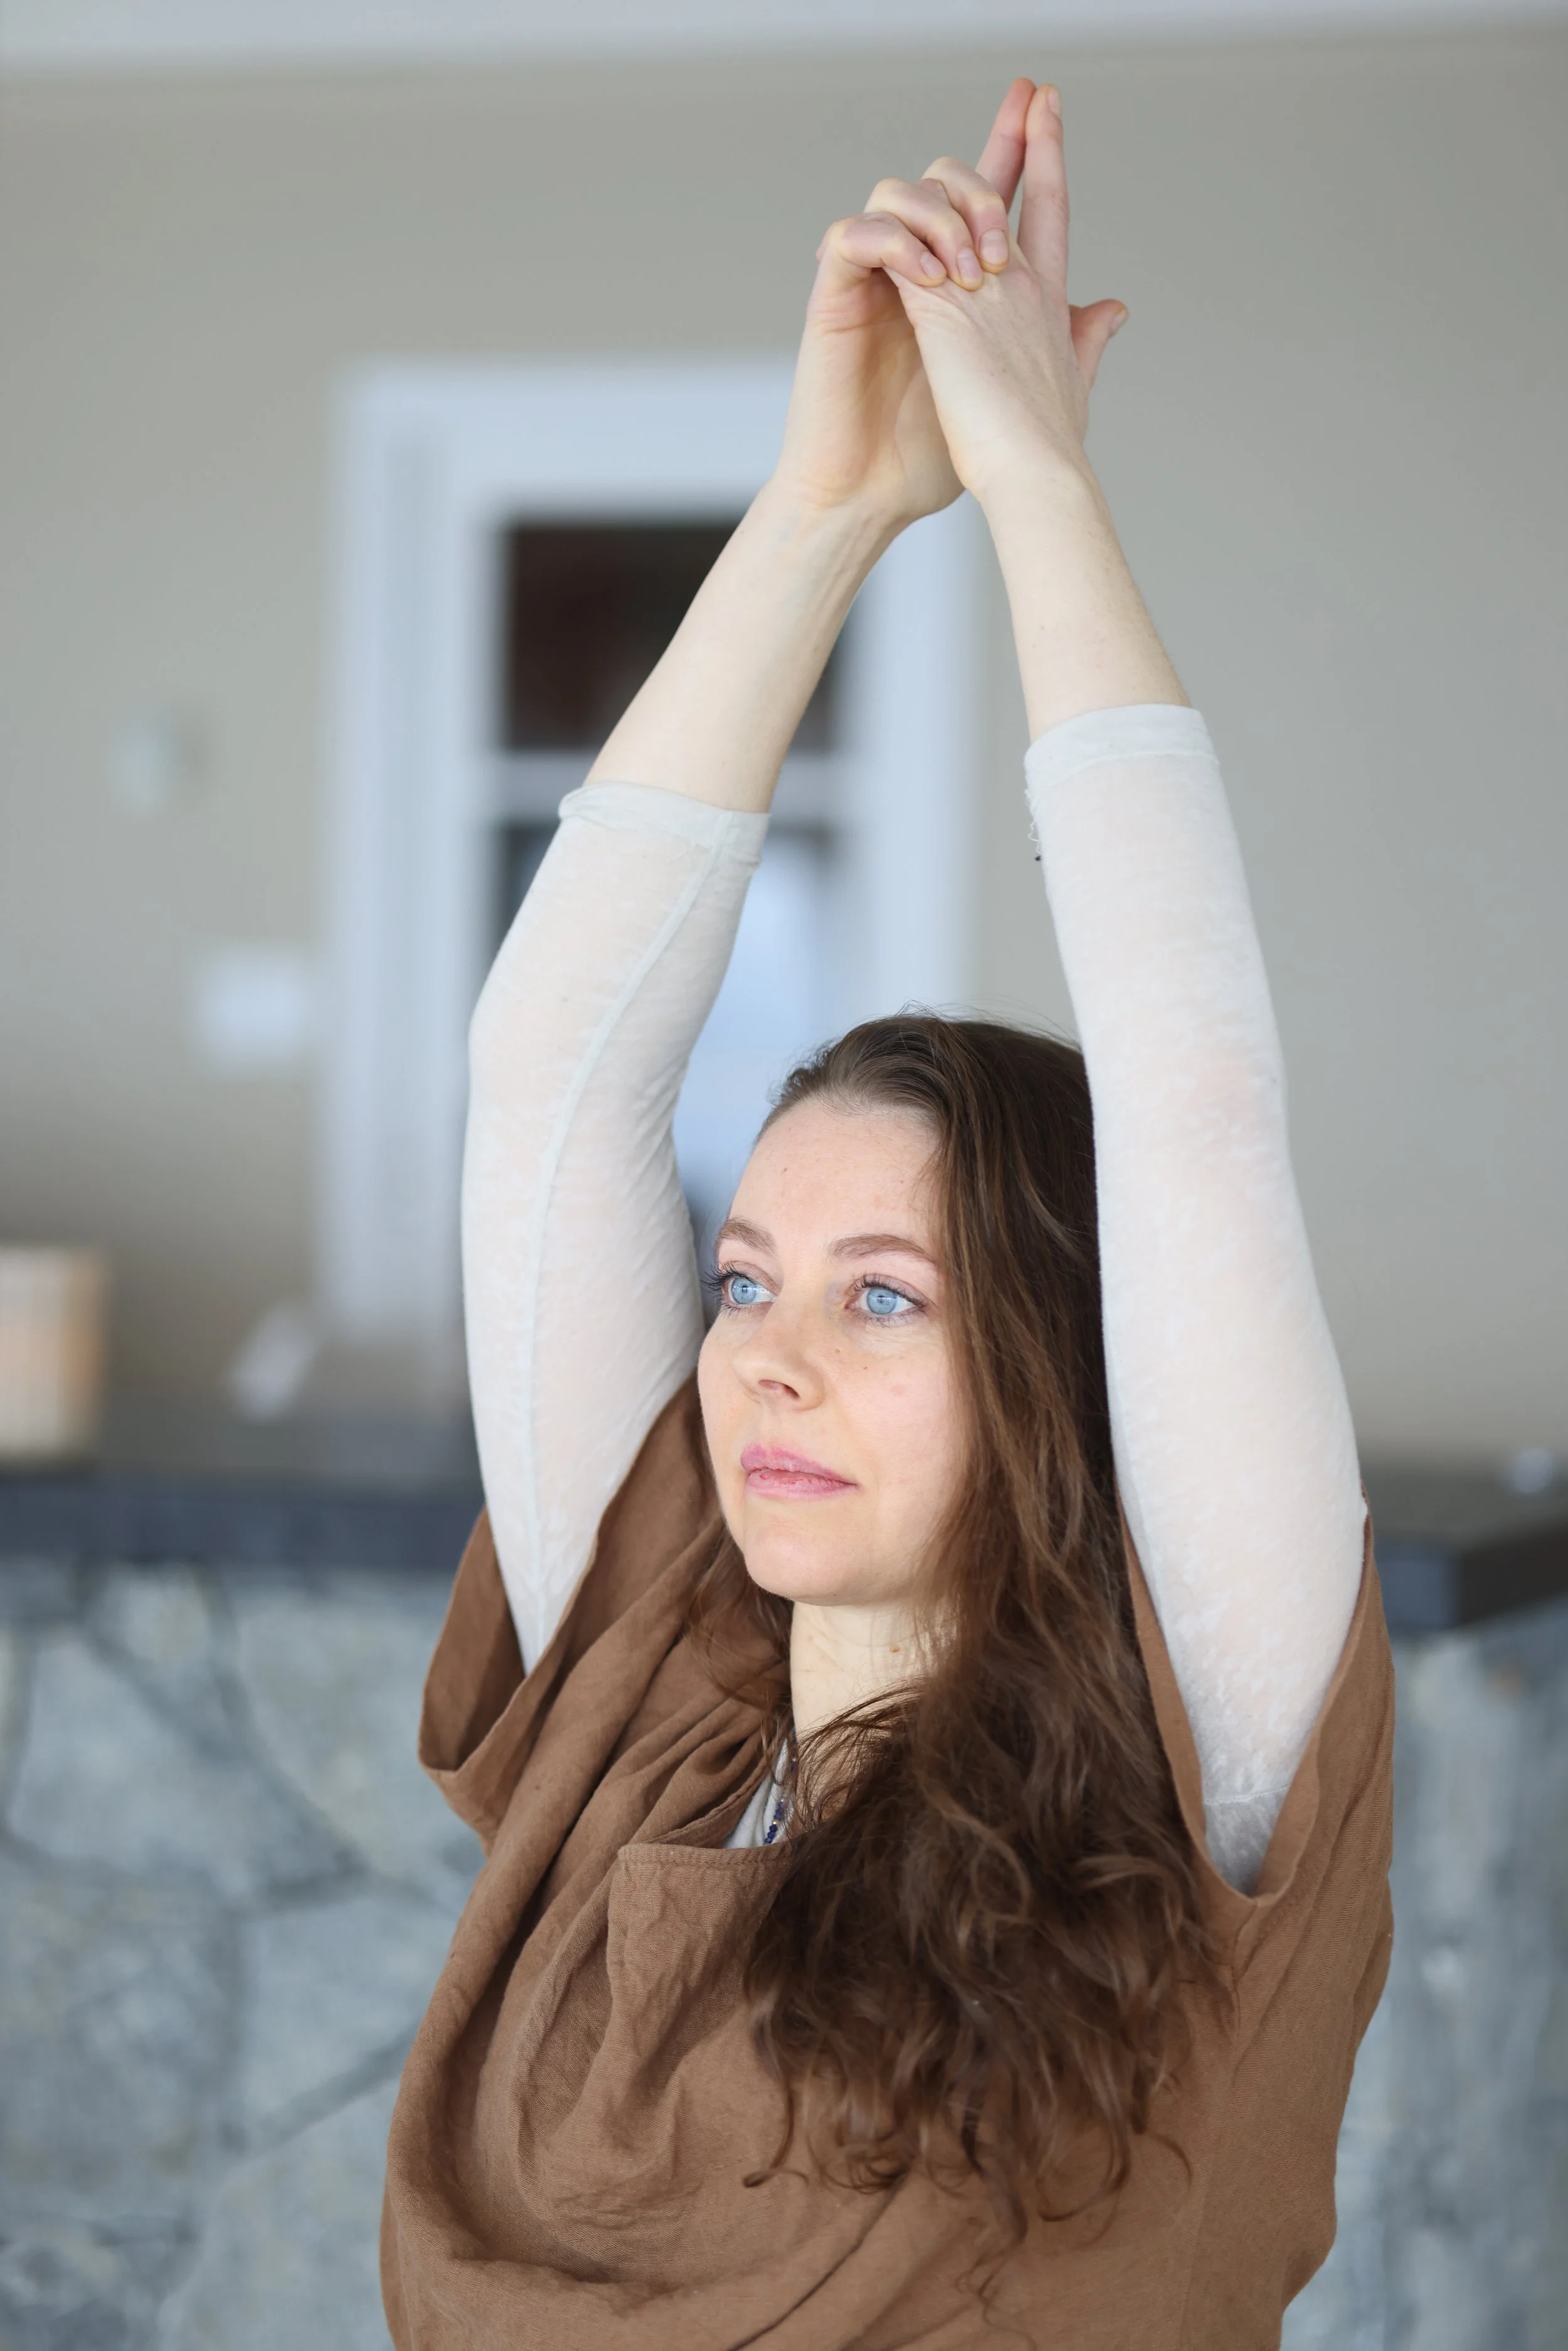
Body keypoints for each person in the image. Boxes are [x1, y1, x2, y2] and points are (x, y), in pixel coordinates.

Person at [381, 76, 1394, 2350]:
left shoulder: (1195, 1772)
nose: (762, 1353)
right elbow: (549, 1068)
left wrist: (1036, 476)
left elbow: (1196, 1099)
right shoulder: (648, 1710)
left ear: (1058, 1358)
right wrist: (825, 502)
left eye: (882, 1297)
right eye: (748, 1277)